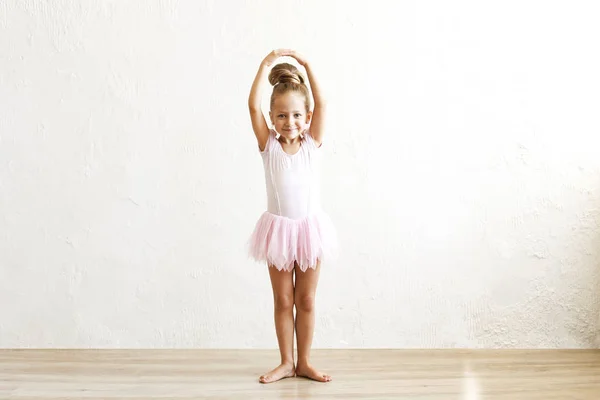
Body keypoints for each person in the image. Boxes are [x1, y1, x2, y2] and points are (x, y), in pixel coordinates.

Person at [247, 49, 337, 383]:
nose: (290, 122)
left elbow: (323, 104)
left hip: (310, 230)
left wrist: (308, 66)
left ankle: (305, 362)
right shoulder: (267, 145)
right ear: (272, 117)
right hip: (279, 232)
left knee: (307, 300)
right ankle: (286, 361)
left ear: (307, 116)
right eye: (282, 115)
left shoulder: (312, 143)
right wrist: (264, 65)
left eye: (297, 115)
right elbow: (251, 106)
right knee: (284, 300)